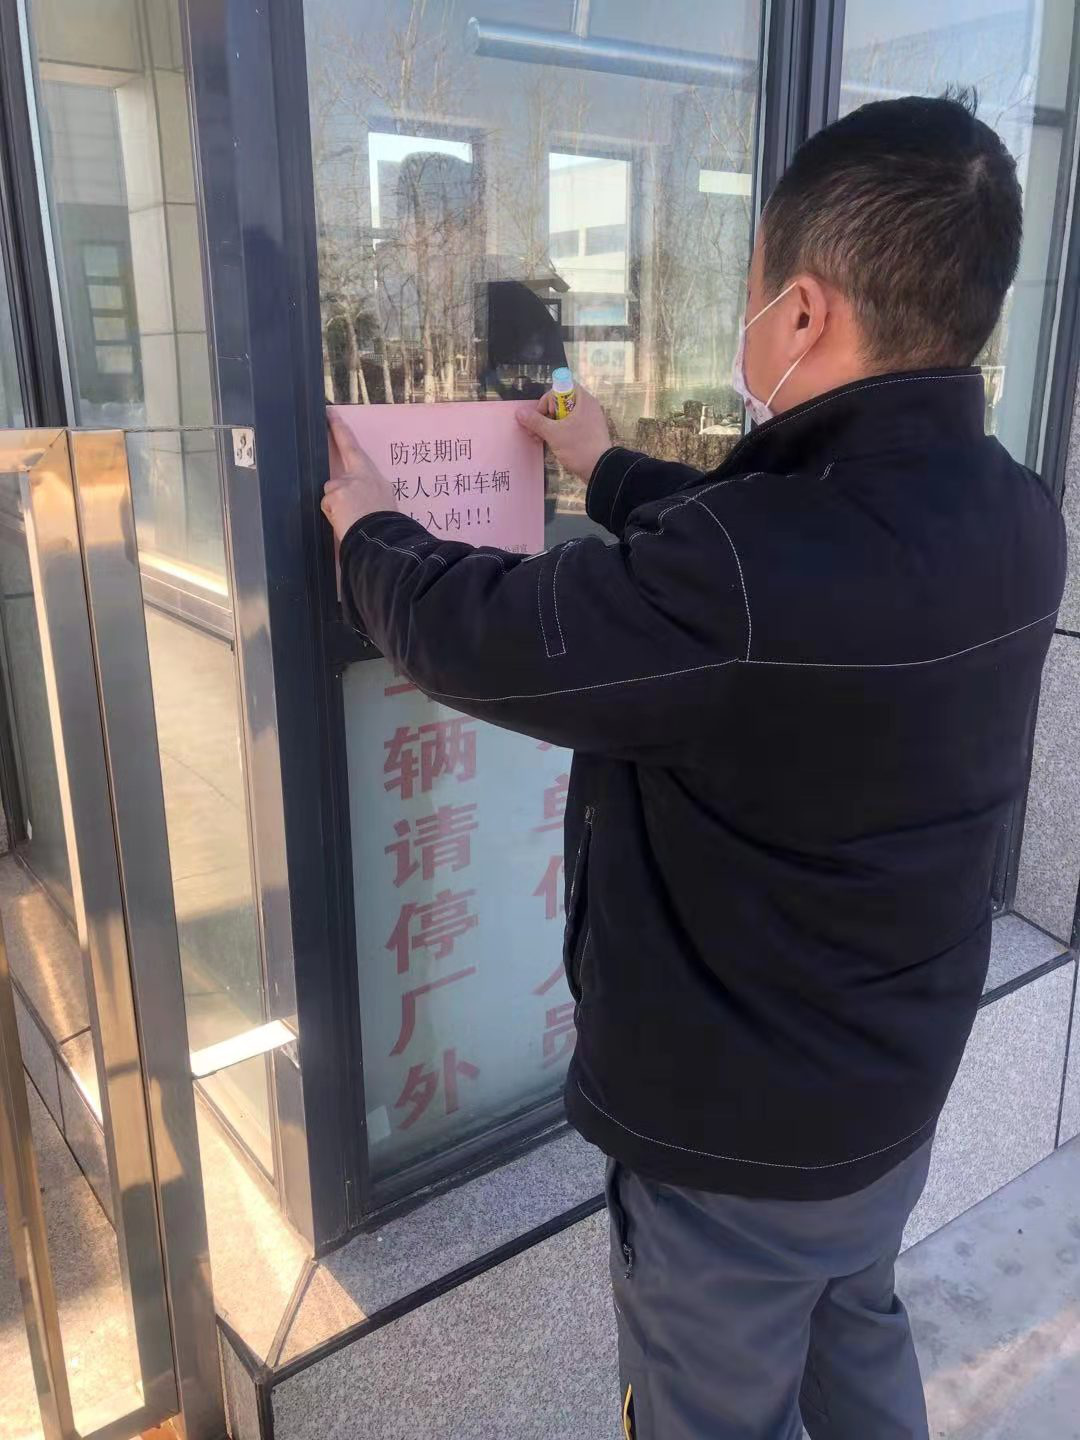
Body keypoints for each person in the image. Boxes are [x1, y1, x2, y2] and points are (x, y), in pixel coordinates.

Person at [321, 94, 1065, 1440]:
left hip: (740, 1144)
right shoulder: (1014, 511)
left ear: (802, 311)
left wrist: (371, 532)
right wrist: (603, 463)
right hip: (894, 1089)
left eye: (753, 288)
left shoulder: (748, 575)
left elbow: (487, 634)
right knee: (855, 1331)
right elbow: (782, 563)